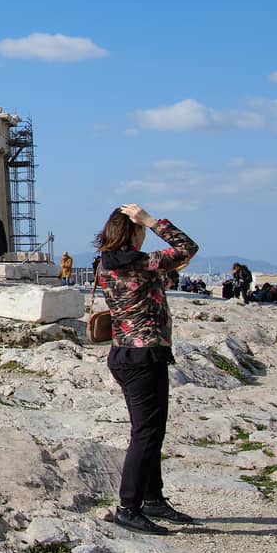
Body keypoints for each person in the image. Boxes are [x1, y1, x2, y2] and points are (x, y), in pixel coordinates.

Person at [94, 203, 199, 535]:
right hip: (143, 356)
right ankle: (128, 506)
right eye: (139, 229)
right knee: (146, 434)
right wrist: (153, 221)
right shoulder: (140, 263)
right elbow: (187, 248)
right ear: (133, 232)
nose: (143, 234)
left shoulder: (107, 264)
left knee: (150, 430)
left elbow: (169, 273)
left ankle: (152, 498)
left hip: (125, 354)